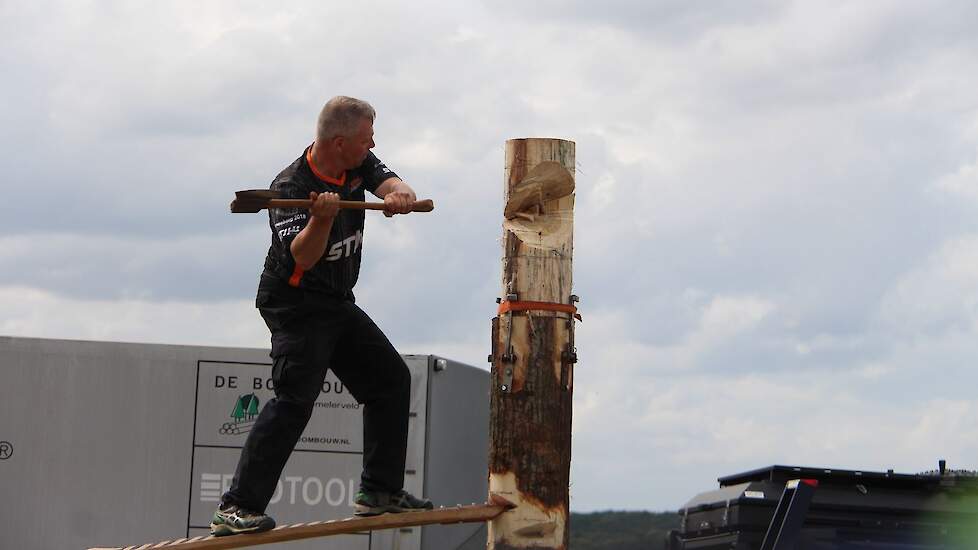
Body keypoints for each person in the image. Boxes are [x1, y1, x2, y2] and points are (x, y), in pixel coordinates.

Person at [211, 96, 433, 537]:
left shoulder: (357, 160)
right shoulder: (290, 186)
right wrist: (320, 221)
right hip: (295, 302)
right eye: (367, 138)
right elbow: (304, 256)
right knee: (294, 401)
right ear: (339, 142)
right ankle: (236, 507)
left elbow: (387, 180)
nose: (372, 146)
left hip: (335, 301)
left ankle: (379, 493)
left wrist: (399, 195)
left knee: (390, 380)